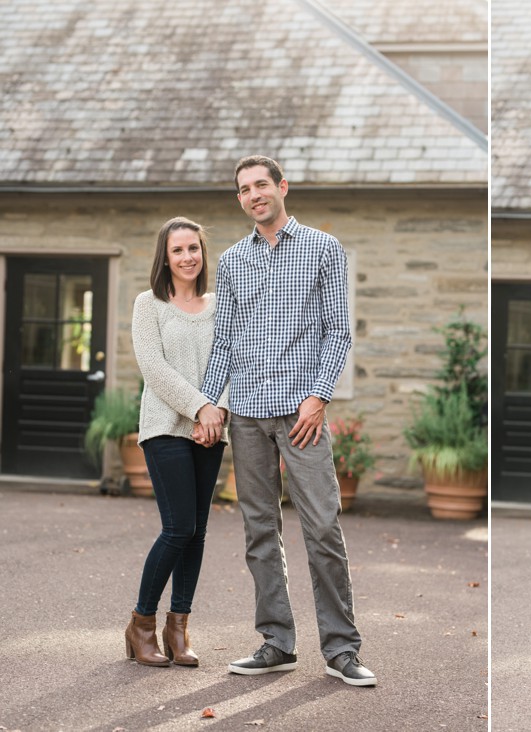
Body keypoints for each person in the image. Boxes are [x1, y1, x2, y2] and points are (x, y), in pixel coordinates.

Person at [197, 155, 375, 687]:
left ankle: (342, 649)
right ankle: (277, 642)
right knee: (260, 531)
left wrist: (318, 397)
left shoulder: (323, 248)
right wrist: (209, 403)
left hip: (302, 416)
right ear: (240, 199)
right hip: (247, 417)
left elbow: (337, 332)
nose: (255, 194)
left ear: (282, 188)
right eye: (245, 189)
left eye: (262, 185)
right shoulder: (230, 262)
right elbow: (224, 342)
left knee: (322, 527)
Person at [126, 217, 229, 667]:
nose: (188, 257)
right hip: (165, 427)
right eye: (178, 250)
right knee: (178, 528)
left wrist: (218, 411)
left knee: (199, 533)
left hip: (212, 431)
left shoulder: (221, 304)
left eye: (194, 248)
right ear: (164, 257)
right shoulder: (148, 304)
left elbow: (232, 360)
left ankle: (178, 627)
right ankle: (141, 625)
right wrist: (200, 408)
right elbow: (153, 366)